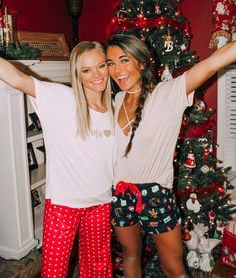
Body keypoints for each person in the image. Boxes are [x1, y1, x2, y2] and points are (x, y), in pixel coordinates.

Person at [105, 34, 236, 278]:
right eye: (111, 63)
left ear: (142, 63)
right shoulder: (116, 100)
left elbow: (212, 63)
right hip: (121, 193)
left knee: (173, 268)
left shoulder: (168, 93)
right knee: (130, 256)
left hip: (155, 195)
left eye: (124, 60)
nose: (116, 70)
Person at [0, 41, 115, 278]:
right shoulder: (62, 98)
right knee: (54, 272)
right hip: (64, 205)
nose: (96, 75)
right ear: (77, 73)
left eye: (101, 66)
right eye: (86, 70)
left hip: (101, 203)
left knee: (97, 271)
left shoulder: (114, 106)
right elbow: (17, 78)